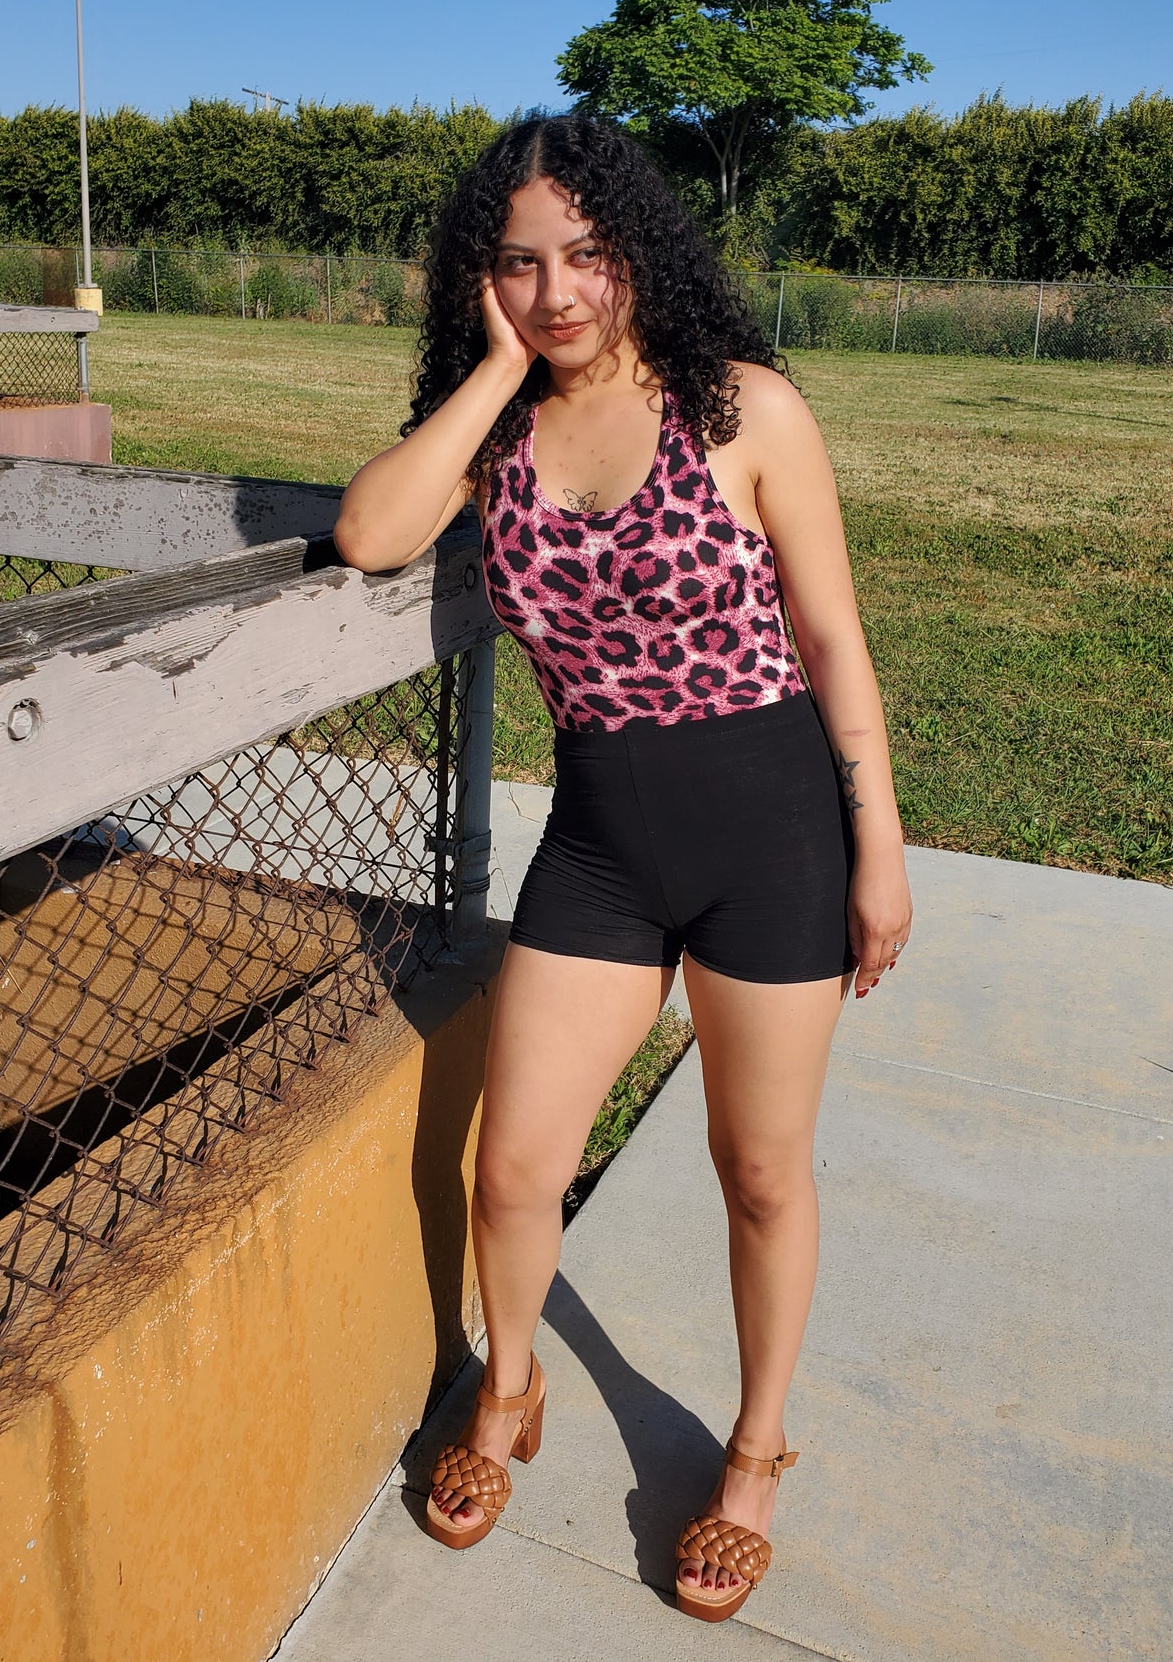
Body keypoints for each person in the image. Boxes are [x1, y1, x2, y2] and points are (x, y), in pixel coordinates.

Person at [335, 114, 912, 1622]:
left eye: (586, 255)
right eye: (517, 264)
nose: (559, 289)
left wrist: (878, 845)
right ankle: (510, 1391)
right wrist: (494, 371)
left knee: (761, 1172)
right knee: (517, 1167)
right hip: (597, 842)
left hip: (771, 833)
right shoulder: (503, 433)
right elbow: (370, 532)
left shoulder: (747, 415)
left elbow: (835, 639)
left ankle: (754, 1453)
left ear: (641, 254)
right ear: (480, 281)